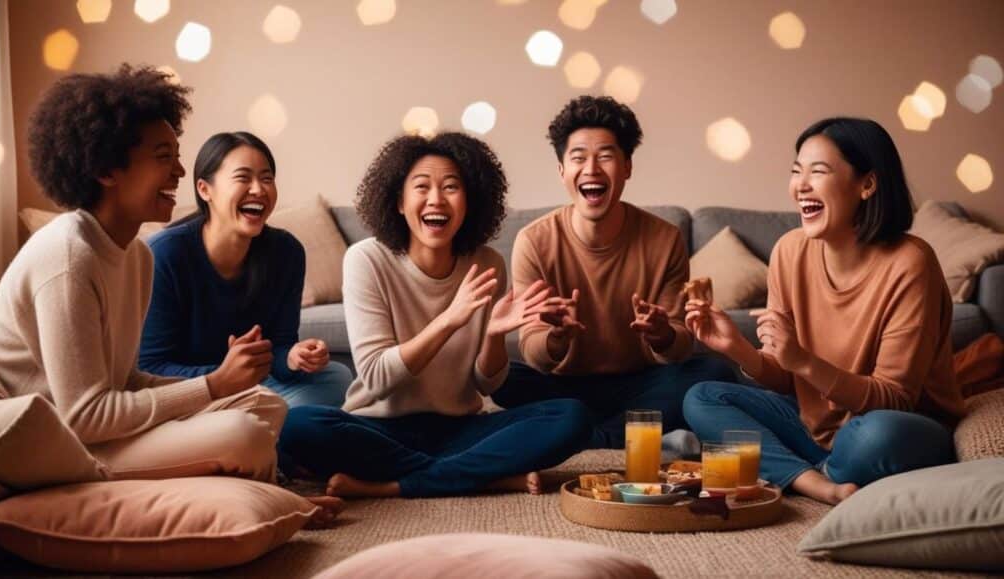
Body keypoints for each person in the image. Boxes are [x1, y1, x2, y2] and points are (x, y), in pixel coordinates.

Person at [0, 65, 341, 522]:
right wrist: (211, 385)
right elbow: (85, 416)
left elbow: (126, 380)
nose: (180, 170)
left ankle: (239, 488)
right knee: (241, 434)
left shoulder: (136, 256)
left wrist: (224, 386)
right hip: (58, 443)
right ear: (107, 169)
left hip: (100, 427)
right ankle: (252, 491)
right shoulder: (69, 257)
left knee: (262, 403)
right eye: (162, 155)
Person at [278, 132, 593, 498]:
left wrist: (492, 334)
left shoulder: (486, 262)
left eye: (450, 187)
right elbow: (377, 377)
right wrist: (450, 319)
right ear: (398, 201)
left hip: (458, 427)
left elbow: (487, 385)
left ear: (470, 201)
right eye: (422, 186)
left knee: (573, 416)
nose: (436, 199)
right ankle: (482, 475)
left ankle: (396, 485)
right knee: (296, 424)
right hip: (379, 427)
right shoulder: (367, 260)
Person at [682, 117, 965, 504]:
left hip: (898, 427)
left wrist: (802, 359)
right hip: (813, 427)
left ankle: (787, 467)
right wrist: (739, 349)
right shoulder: (789, 251)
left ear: (867, 184)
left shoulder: (910, 263)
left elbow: (895, 399)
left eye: (818, 172)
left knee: (872, 436)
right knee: (702, 397)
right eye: (797, 171)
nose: (801, 185)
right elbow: (788, 381)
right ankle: (817, 483)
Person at [491, 95, 736, 450]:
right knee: (501, 378)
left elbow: (681, 347)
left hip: (641, 383)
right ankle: (624, 433)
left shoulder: (664, 238)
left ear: (627, 167)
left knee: (714, 374)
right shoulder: (534, 241)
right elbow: (532, 350)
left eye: (605, 156)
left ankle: (587, 436)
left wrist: (662, 334)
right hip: (563, 384)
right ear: (562, 171)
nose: (591, 169)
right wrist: (556, 338)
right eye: (578, 158)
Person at [139, 131, 352, 409]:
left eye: (266, 179)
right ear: (205, 190)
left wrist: (293, 357)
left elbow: (280, 345)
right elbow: (150, 368)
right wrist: (222, 377)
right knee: (280, 415)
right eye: (243, 178)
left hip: (256, 388)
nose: (258, 189)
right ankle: (271, 426)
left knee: (337, 376)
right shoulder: (164, 254)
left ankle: (266, 425)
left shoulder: (287, 253)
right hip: (192, 393)